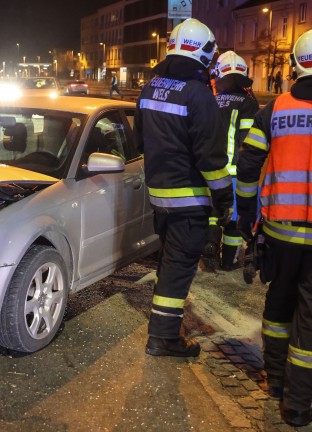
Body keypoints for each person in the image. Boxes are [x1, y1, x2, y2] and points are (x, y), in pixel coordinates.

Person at [134, 18, 233, 357]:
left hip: (159, 198)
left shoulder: (150, 87)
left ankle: (163, 332)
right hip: (189, 201)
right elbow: (211, 158)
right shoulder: (200, 95)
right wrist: (224, 200)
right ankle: (163, 339)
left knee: (169, 264)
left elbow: (139, 140)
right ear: (205, 53)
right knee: (177, 271)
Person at [235, 29, 312, 427]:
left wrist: (247, 218)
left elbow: (248, 167)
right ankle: (299, 405)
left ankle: (277, 383)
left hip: (281, 232)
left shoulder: (273, 111)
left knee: (278, 308)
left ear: (296, 64)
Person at [201, 51, 259, 272]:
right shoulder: (248, 104)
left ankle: (210, 245)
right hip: (235, 172)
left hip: (210, 170)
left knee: (214, 212)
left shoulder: (210, 101)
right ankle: (230, 261)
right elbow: (248, 141)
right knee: (233, 219)